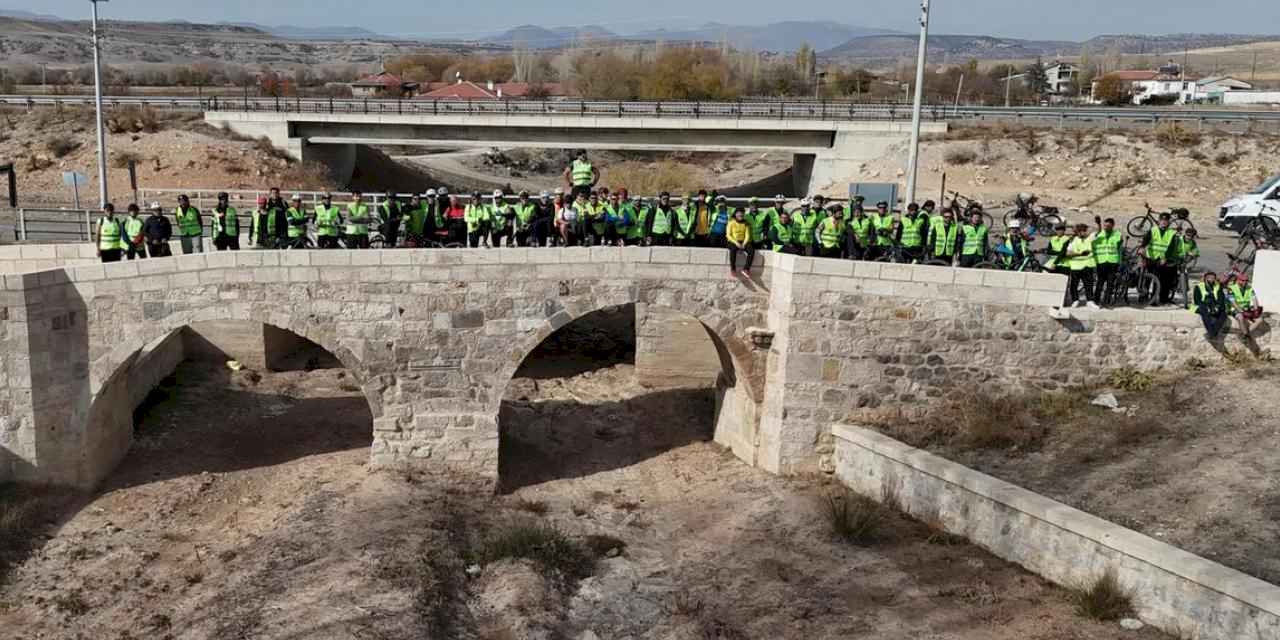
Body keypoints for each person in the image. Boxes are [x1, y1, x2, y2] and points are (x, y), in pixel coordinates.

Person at [1139, 213, 1180, 306]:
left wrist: (1165, 257)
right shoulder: (1153, 230)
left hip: (1161, 259)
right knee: (1147, 279)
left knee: (1158, 280)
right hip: (1150, 257)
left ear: (1169, 222)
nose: (1164, 222)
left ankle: (1153, 300)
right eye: (1162, 220)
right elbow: (1146, 239)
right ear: (1159, 220)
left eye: (1166, 220)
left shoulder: (1172, 233)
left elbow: (1171, 247)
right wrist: (1142, 247)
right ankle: (1143, 297)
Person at [1065, 223, 1100, 309]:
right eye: (1081, 231)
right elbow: (1068, 253)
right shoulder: (1073, 240)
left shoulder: (1090, 238)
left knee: (1089, 284)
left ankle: (1090, 301)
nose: (1084, 233)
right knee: (1074, 285)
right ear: (1078, 232)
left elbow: (1098, 231)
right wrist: (1080, 254)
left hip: (1088, 265)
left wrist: (1098, 223)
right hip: (1076, 266)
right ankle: (1075, 300)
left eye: (1085, 231)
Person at [1092, 217, 1124, 305]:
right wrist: (1098, 224)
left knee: (1110, 284)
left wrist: (1120, 262)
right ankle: (1096, 300)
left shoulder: (1118, 234)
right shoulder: (1100, 233)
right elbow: (1097, 235)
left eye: (1108, 226)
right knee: (1100, 282)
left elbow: (1120, 248)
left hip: (1113, 262)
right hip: (1101, 262)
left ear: (1113, 226)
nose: (1106, 227)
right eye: (1105, 225)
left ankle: (1107, 301)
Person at [1190, 272, 1230, 340]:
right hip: (1201, 306)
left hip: (1214, 306)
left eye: (1213, 278)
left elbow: (1221, 298)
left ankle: (1212, 333)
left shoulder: (1217, 286)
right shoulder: (1199, 286)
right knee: (1205, 311)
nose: (1212, 279)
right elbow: (1197, 301)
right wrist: (1207, 307)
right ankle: (1212, 332)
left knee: (1223, 314)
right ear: (1206, 278)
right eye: (1210, 277)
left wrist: (1217, 307)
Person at [1229, 272, 1264, 337]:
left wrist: (1256, 310)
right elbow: (1233, 302)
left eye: (1246, 280)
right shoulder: (1231, 288)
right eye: (1243, 280)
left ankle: (1245, 334)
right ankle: (1245, 334)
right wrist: (1242, 311)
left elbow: (1254, 299)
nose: (1245, 282)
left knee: (1260, 319)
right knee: (1240, 317)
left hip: (1247, 308)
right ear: (1238, 280)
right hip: (1235, 308)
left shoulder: (1250, 288)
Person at [726, 208, 754, 274]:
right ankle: (733, 269)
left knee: (751, 250)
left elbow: (747, 235)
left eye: (742, 213)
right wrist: (736, 243)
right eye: (738, 213)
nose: (740, 215)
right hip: (732, 241)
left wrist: (744, 244)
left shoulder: (746, 223)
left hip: (743, 241)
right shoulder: (731, 222)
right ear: (735, 214)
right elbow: (728, 235)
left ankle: (746, 269)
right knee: (733, 249)